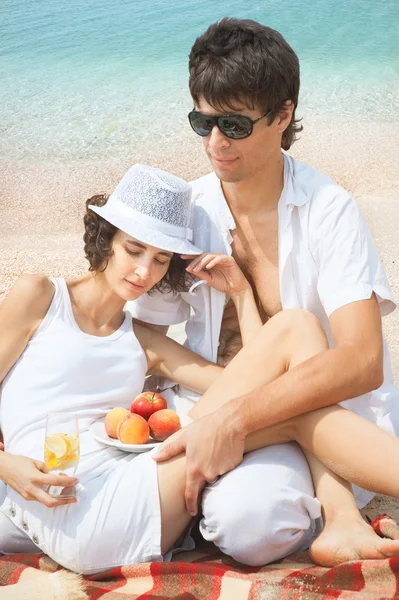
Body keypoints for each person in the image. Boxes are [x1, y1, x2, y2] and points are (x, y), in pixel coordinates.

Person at [2, 165, 399, 574]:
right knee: (294, 378)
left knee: (292, 370)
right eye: (133, 249)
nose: (144, 272)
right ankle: (341, 516)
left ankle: (342, 520)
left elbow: (266, 383)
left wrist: (243, 295)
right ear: (106, 240)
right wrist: (4, 464)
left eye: (160, 259)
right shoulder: (40, 297)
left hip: (129, 477)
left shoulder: (141, 340)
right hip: (68, 504)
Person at [127, 18, 399, 567]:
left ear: (283, 115)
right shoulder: (190, 208)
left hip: (323, 413)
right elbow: (144, 332)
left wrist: (237, 418)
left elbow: (363, 360)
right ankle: (334, 515)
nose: (214, 143)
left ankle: (332, 509)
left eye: (233, 124)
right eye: (201, 121)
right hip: (218, 398)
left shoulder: (328, 209)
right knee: (248, 526)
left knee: (251, 526)